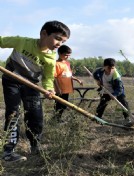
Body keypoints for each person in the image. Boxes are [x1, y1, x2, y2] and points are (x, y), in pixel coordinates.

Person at [0, 21, 70, 162]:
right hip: (11, 80)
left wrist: (49, 89)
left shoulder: (50, 58)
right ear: (44, 33)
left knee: (35, 114)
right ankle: (8, 151)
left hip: (31, 85)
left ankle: (35, 145)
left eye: (62, 42)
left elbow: (48, 78)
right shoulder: (22, 42)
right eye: (57, 38)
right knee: (13, 112)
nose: (59, 44)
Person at [93, 58, 132, 127]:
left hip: (117, 91)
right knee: (102, 103)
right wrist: (98, 80)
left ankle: (128, 118)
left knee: (123, 103)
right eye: (109, 68)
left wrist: (114, 94)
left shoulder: (116, 75)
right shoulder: (100, 71)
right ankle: (98, 117)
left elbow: (119, 88)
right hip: (106, 89)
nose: (110, 70)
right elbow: (95, 74)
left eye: (112, 68)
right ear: (104, 66)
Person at [54, 45, 83, 122]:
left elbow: (69, 75)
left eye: (68, 55)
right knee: (59, 105)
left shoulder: (67, 63)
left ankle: (57, 118)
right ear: (59, 53)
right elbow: (55, 77)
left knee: (64, 105)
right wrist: (58, 88)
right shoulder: (56, 64)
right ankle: (56, 119)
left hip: (67, 88)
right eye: (65, 55)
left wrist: (77, 80)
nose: (67, 57)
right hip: (60, 89)